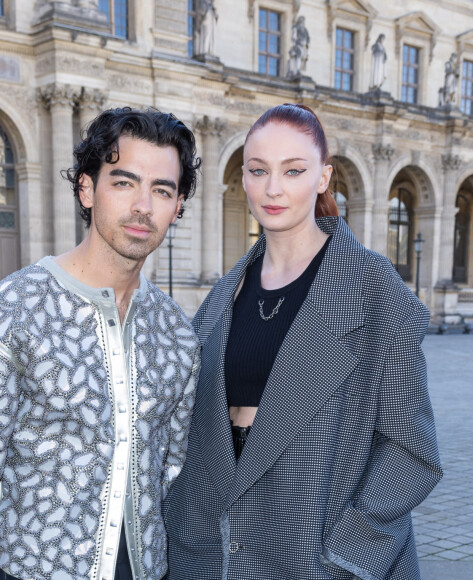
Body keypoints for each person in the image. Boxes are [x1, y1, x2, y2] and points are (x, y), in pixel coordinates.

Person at [164, 103, 442, 579]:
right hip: (214, 549)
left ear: (322, 177)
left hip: (312, 546)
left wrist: (348, 552)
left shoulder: (372, 288)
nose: (273, 188)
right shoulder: (221, 296)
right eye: (258, 170)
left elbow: (412, 449)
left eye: (293, 171)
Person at [0, 107, 201, 580]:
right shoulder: (17, 306)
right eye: (124, 182)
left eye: (162, 190)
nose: (143, 206)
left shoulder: (178, 334)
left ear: (177, 207)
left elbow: (171, 470)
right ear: (87, 189)